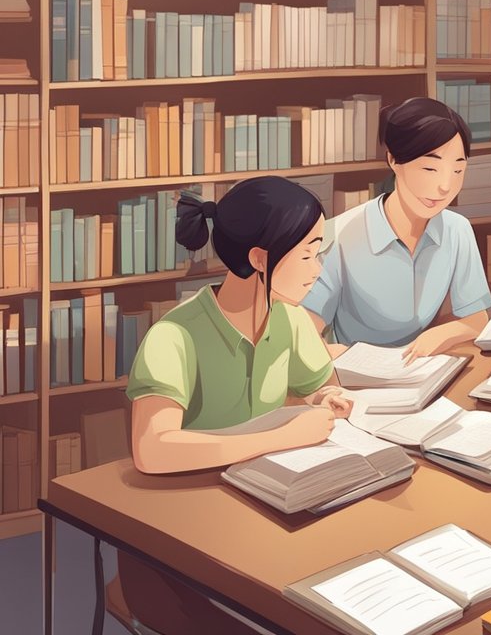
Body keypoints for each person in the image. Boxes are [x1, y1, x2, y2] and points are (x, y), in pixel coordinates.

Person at [123, 176, 350, 633]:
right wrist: (279, 437)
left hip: (263, 513)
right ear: (260, 258)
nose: (318, 269)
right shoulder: (174, 336)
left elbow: (318, 384)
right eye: (307, 254)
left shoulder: (290, 320)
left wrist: (328, 397)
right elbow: (152, 449)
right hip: (182, 541)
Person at [303, 97, 491, 361]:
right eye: (430, 168)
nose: (445, 186)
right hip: (358, 374)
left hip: (423, 368)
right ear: (393, 160)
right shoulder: (340, 236)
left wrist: (440, 335)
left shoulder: (457, 230)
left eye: (458, 170)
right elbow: (304, 329)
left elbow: (476, 319)